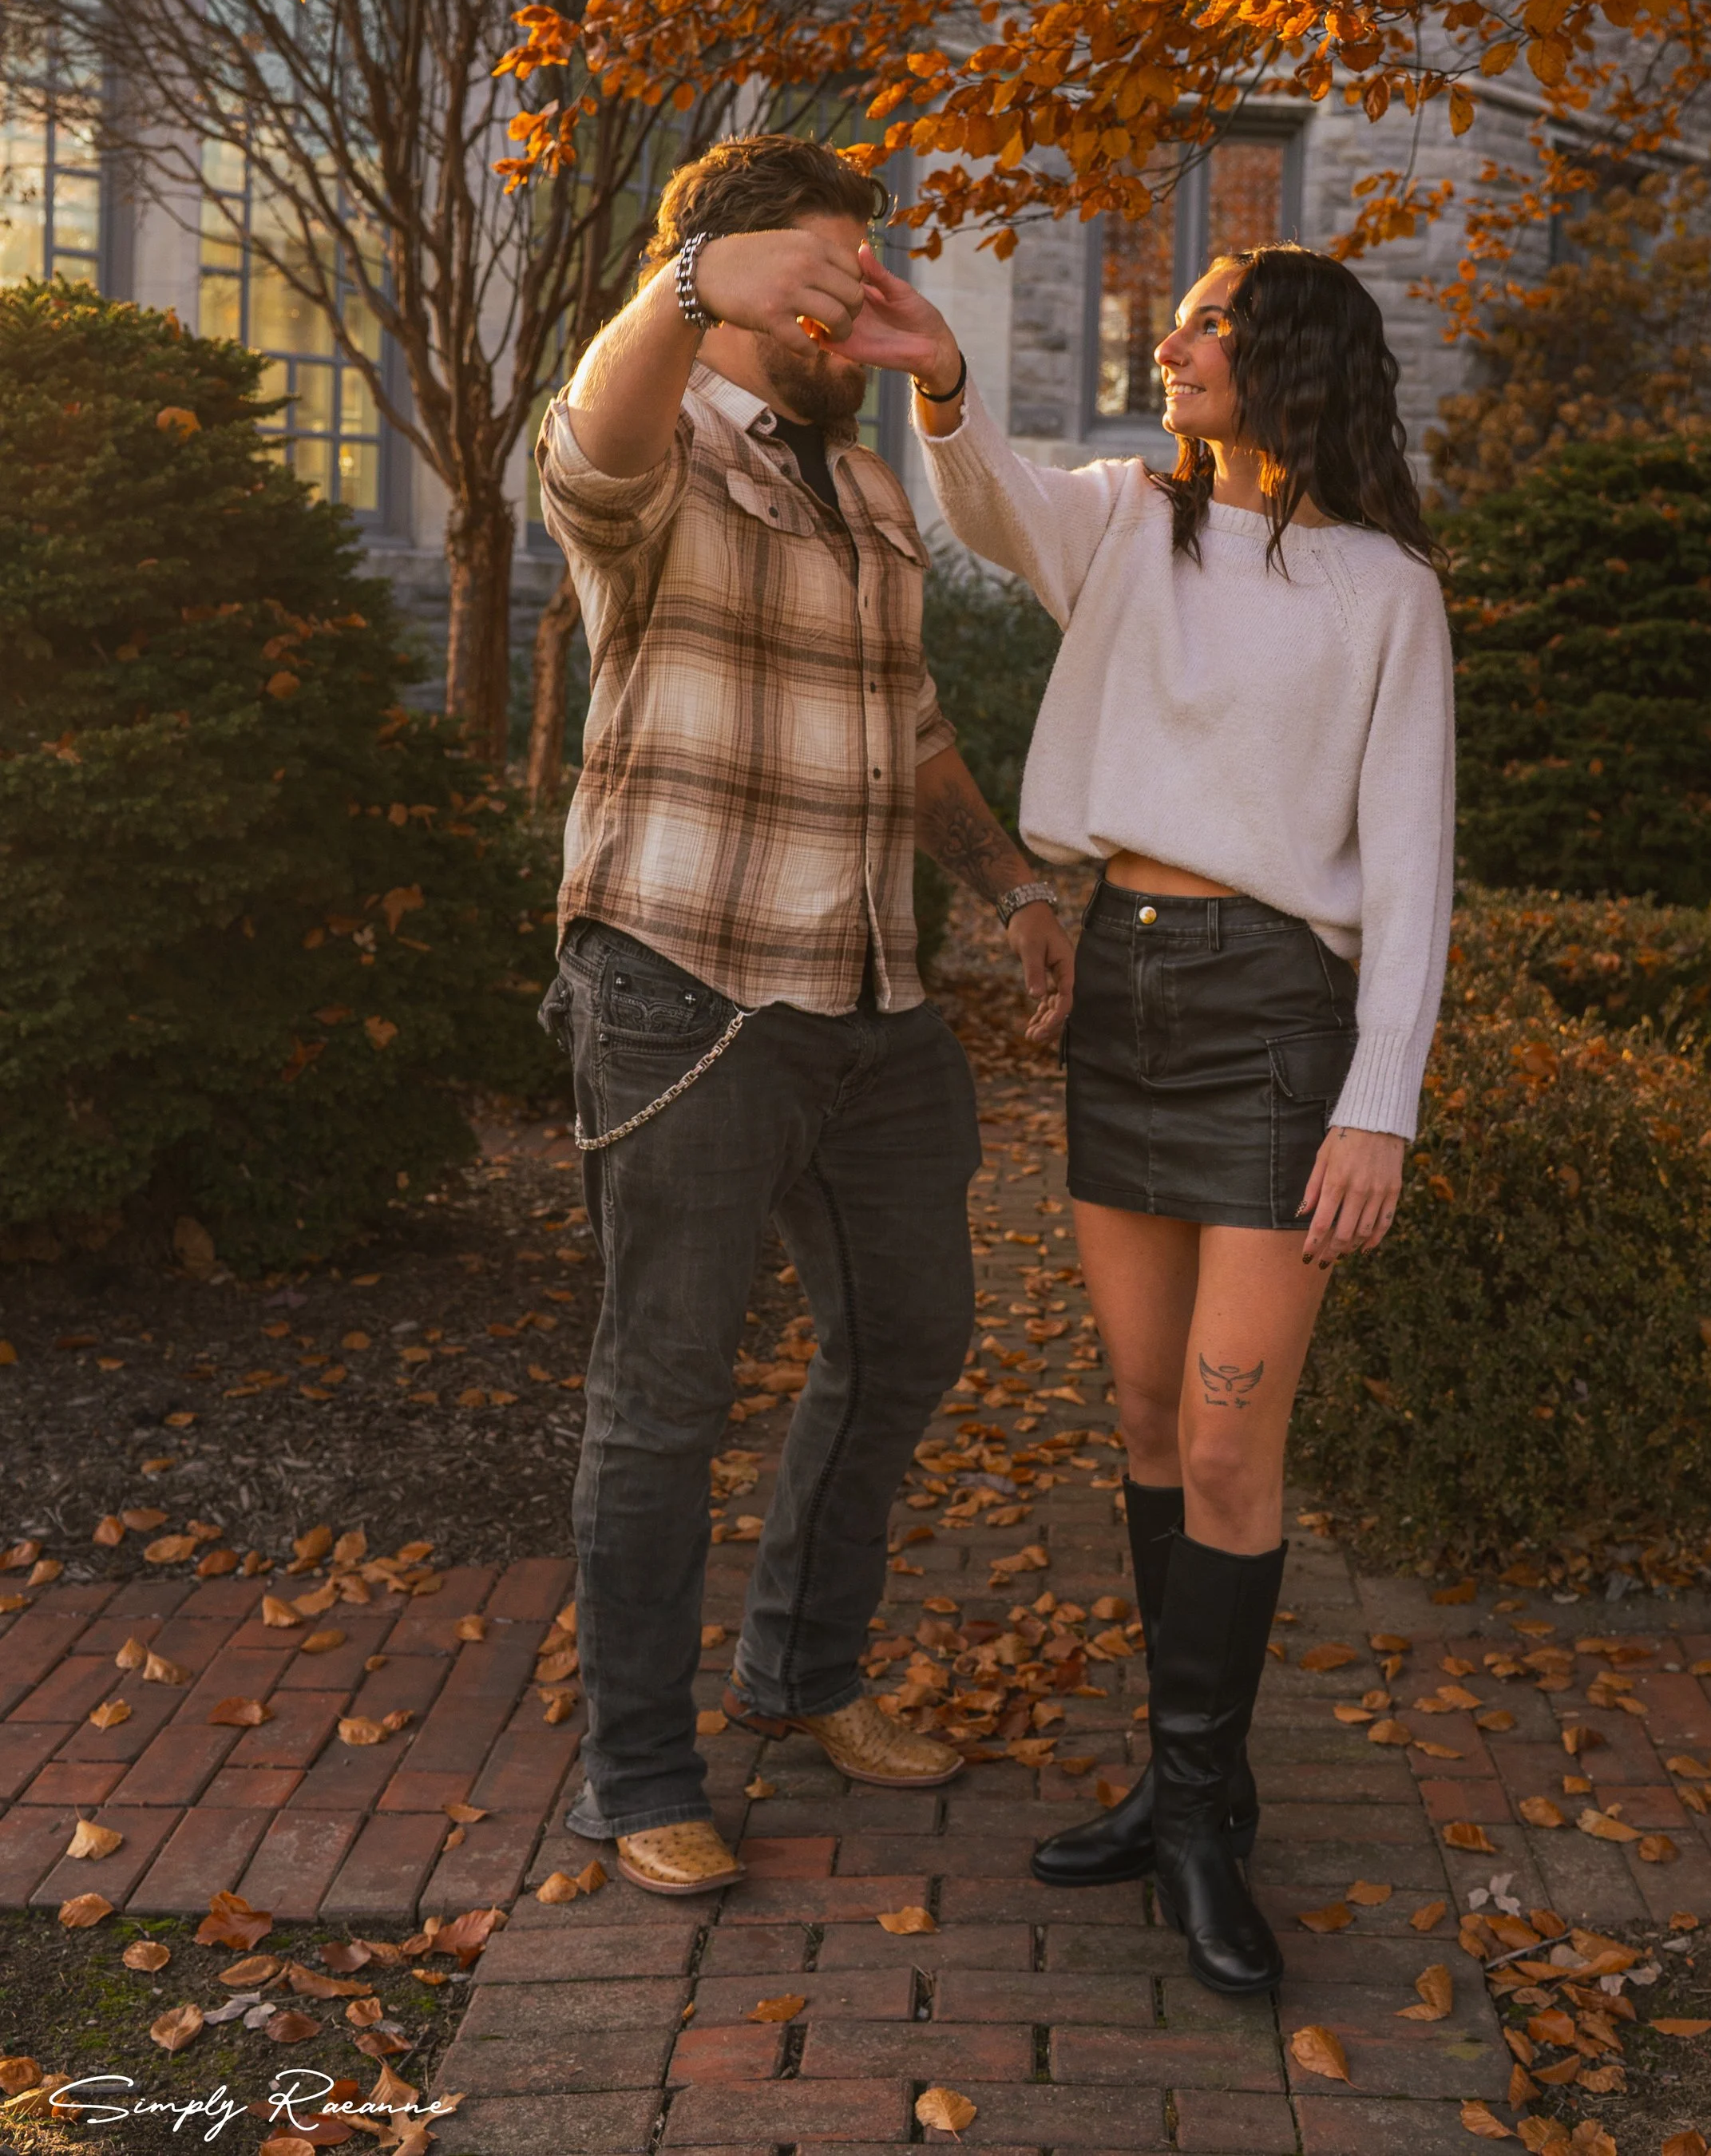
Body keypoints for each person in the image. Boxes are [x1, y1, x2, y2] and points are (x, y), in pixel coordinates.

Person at [844, 237, 1453, 1996]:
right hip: (1123, 993)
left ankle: (1197, 1825)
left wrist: (1379, 1103)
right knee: (1138, 1411)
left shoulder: (1384, 591)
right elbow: (987, 504)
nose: (1171, 344)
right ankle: (1189, 1785)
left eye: (1208, 324)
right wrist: (940, 376)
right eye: (1174, 319)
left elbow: (1410, 869)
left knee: (1227, 1443)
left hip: (1276, 1017)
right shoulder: (1128, 522)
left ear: (1292, 362)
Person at [534, 133, 1075, 1901]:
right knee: (665, 1392)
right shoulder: (659, 441)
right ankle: (636, 1772)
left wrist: (1010, 889)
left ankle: (801, 1673)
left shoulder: (861, 487)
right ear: (735, 276)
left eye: (859, 272)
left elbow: (910, 726)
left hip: (872, 999)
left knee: (910, 1334)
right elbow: (588, 447)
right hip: (684, 984)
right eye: (820, 276)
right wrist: (690, 286)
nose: (847, 306)